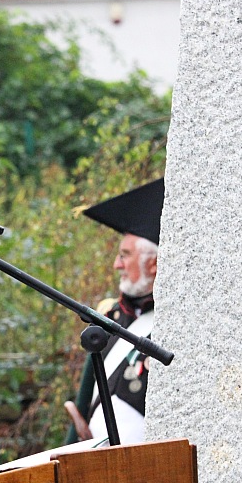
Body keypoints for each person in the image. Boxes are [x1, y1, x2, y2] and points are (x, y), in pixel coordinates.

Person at [63, 178, 164, 447]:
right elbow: (86, 399)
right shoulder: (110, 316)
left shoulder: (171, 324)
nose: (117, 264)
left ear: (153, 264)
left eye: (125, 255)